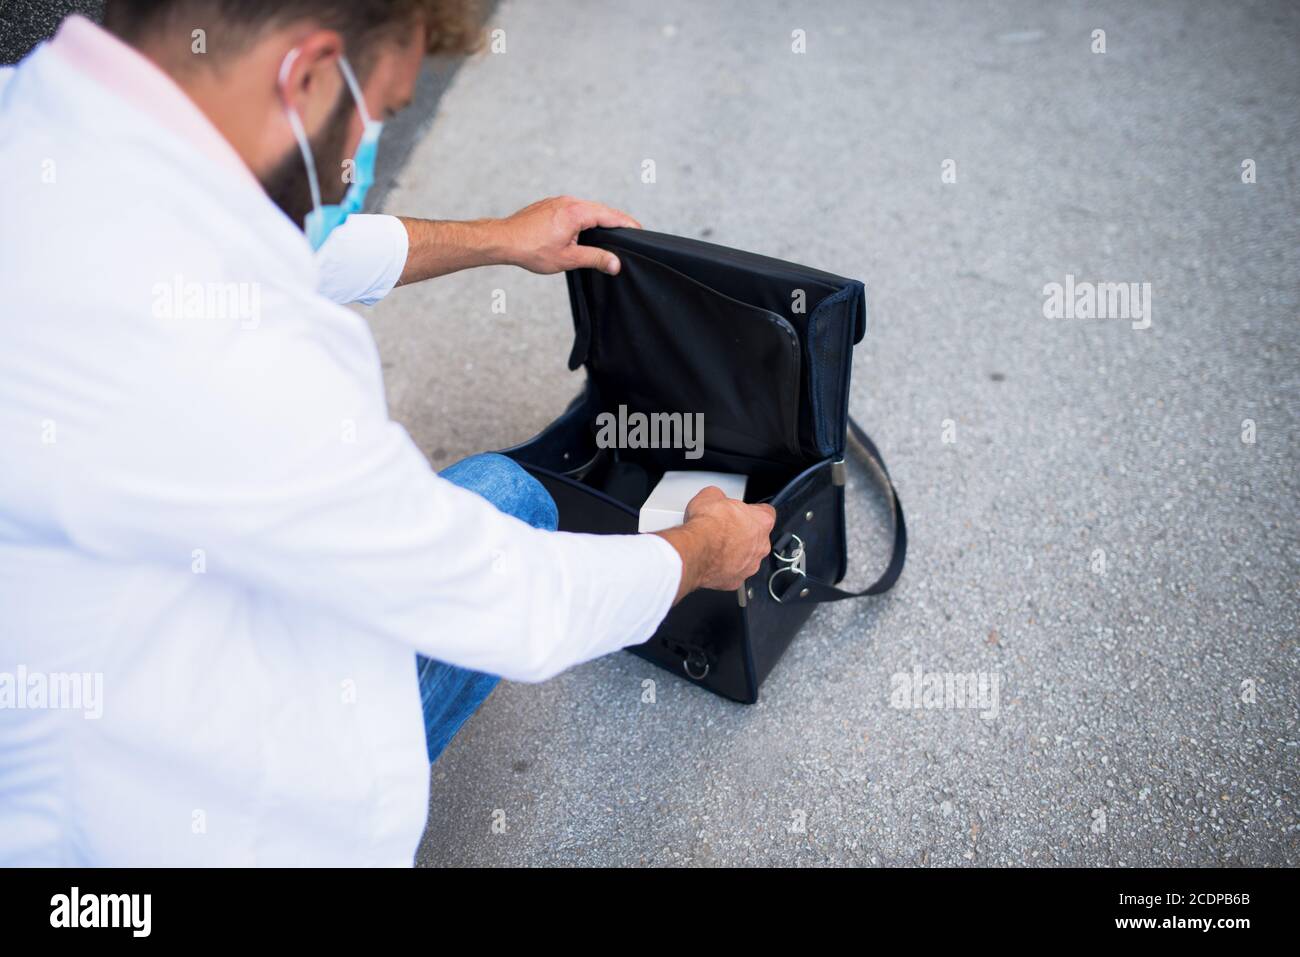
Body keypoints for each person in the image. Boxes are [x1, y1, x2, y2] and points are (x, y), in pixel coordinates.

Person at [0, 0, 775, 865]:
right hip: (180, 831)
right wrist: (704, 548)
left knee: (510, 492)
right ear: (307, 77)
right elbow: (513, 601)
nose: (354, 166)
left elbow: (289, 244)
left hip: (83, 678)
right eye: (382, 115)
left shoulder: (41, 135)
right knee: (502, 534)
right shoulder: (239, 357)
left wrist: (502, 240)